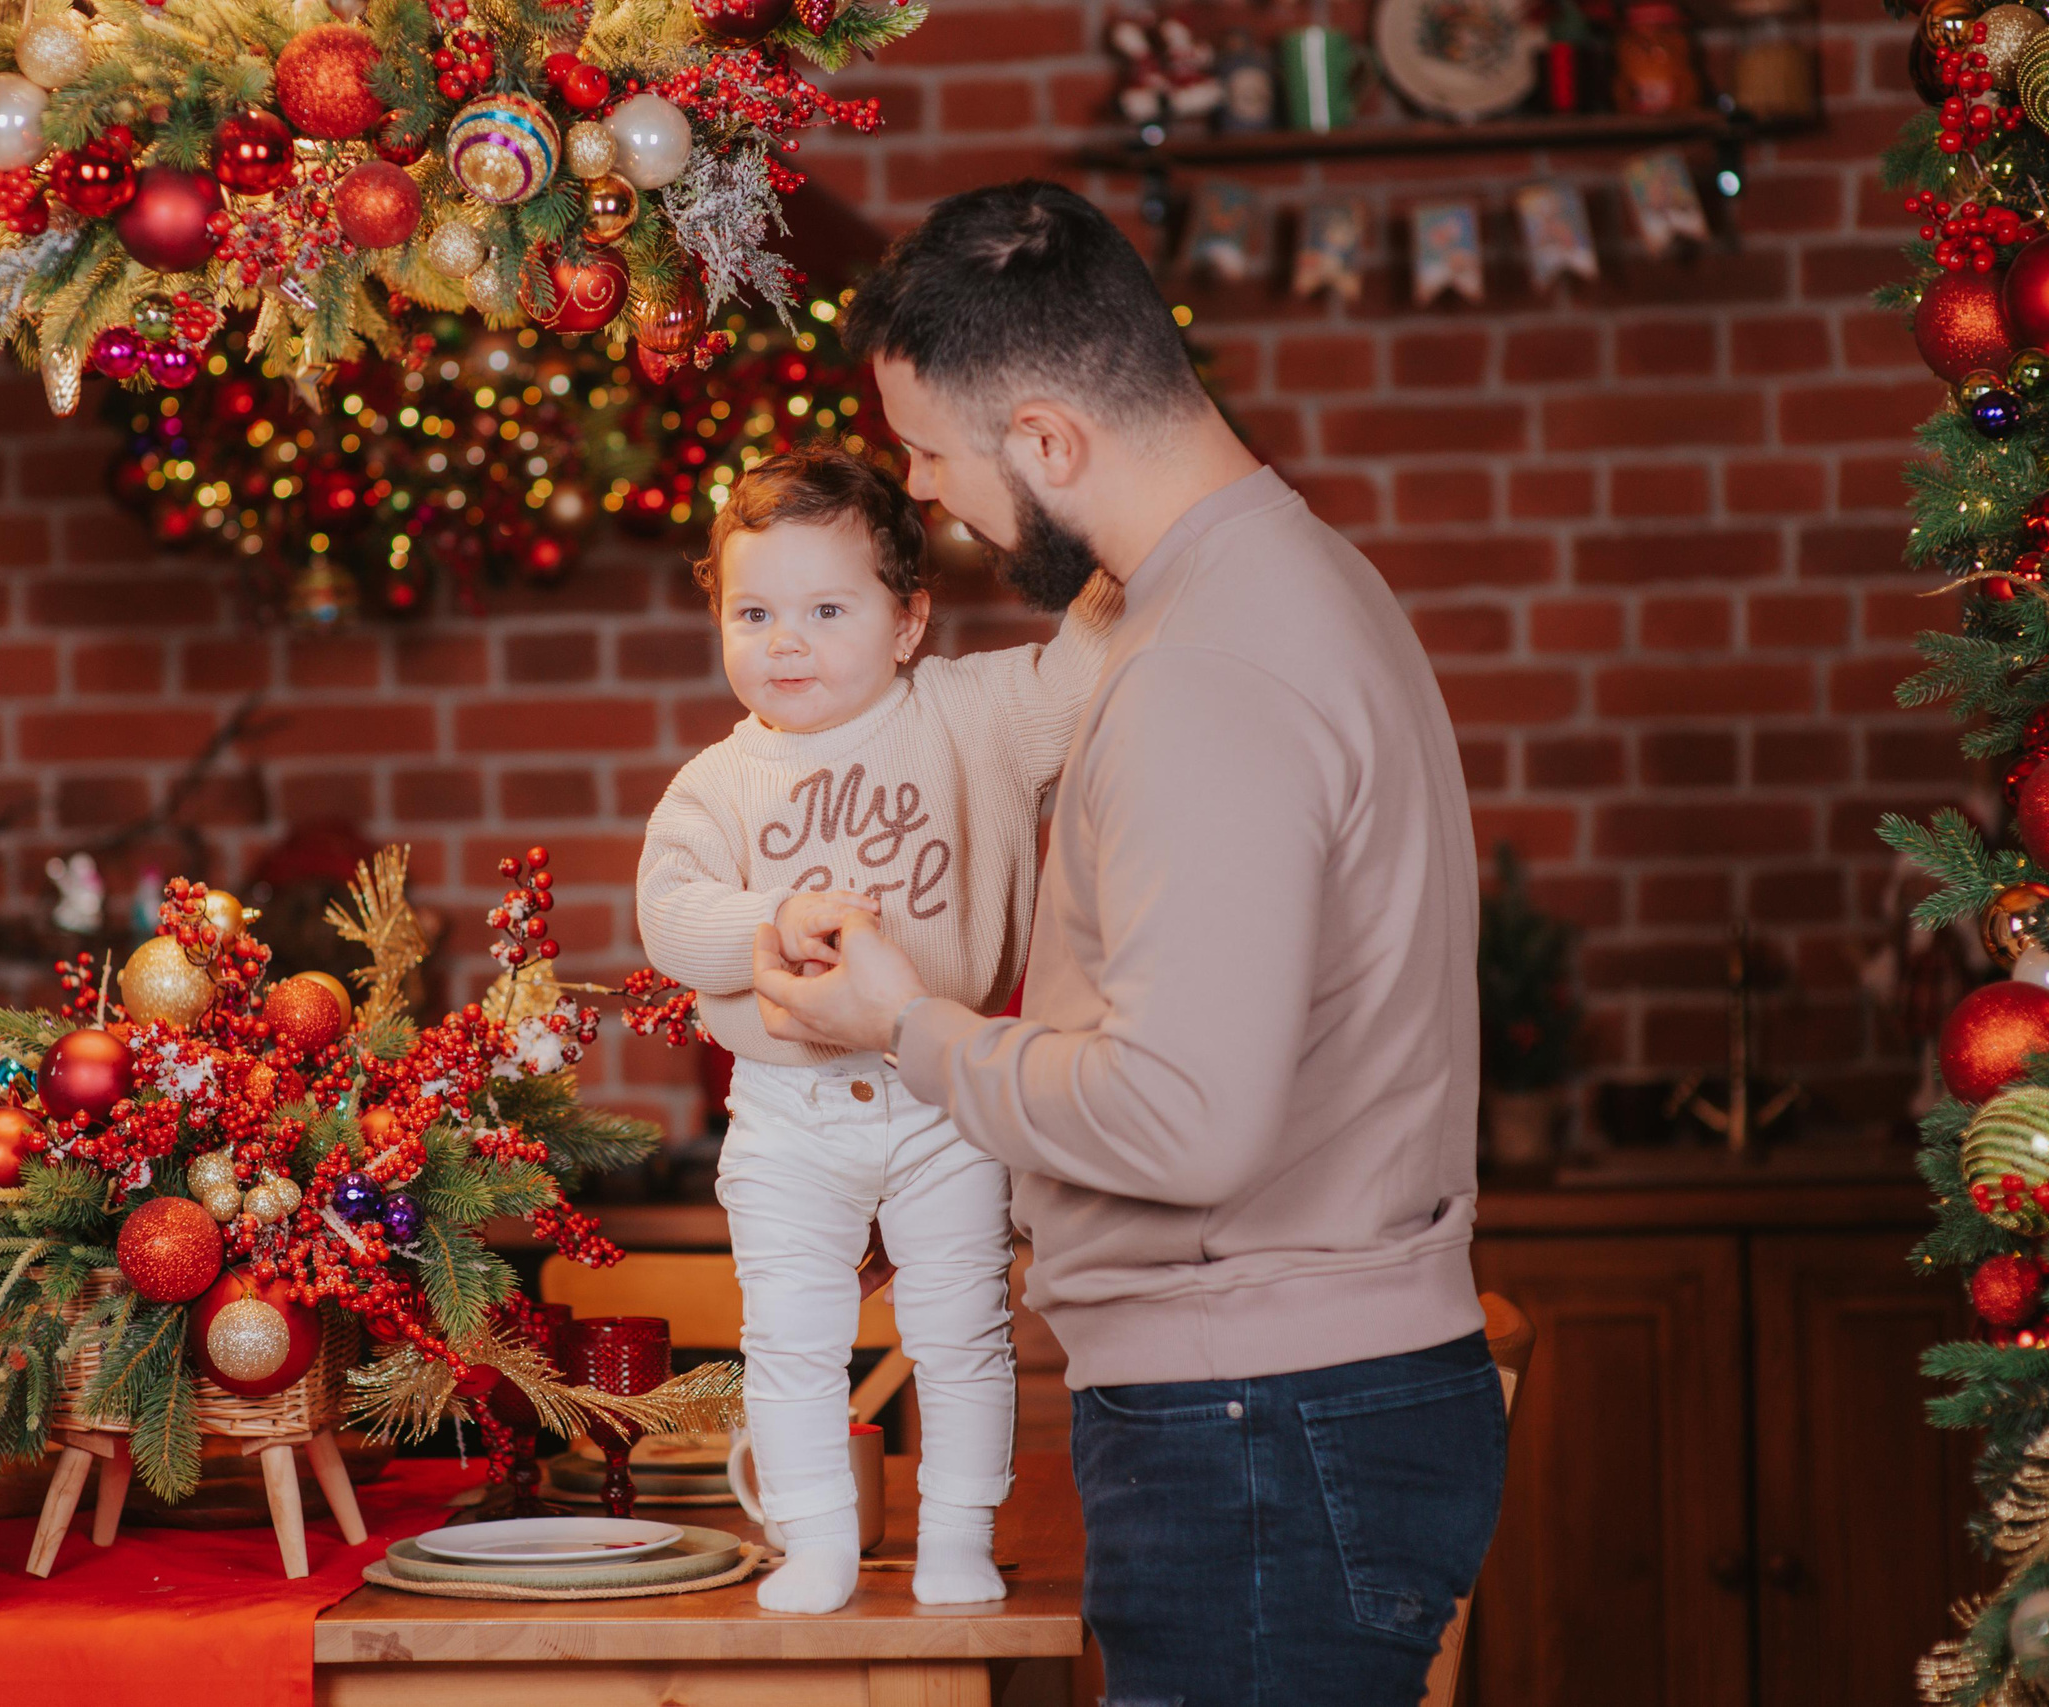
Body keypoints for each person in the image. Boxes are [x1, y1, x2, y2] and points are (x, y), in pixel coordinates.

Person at [749, 181, 1504, 1701]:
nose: (927, 494)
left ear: (1046, 441)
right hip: (1289, 1412)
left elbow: (1186, 1116)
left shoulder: (1203, 670)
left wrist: (904, 1023)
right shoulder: (1280, 578)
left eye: (932, 453)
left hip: (1258, 1424)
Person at [635, 444, 1117, 1614]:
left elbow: (1091, 665)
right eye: (752, 612)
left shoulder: (974, 714)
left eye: (824, 609)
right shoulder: (720, 781)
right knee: (789, 1340)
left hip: (942, 1092)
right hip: (788, 1114)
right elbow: (669, 915)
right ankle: (817, 1542)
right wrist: (774, 915)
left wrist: (1122, 528)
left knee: (960, 1329)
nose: (784, 641)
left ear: (909, 624)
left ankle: (956, 1534)